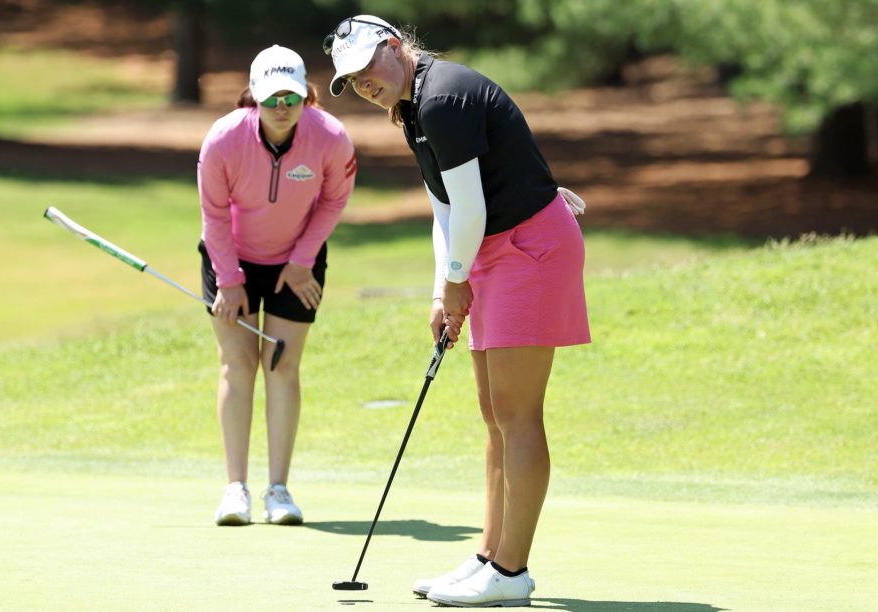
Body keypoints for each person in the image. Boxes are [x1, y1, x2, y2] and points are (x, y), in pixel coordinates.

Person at [325, 16, 590, 607]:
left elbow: (469, 207)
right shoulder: (413, 109)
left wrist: (455, 283)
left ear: (396, 48)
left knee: (518, 414)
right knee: (494, 413)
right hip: (490, 250)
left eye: (369, 68)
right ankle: (489, 557)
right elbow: (445, 210)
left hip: (531, 249)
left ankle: (513, 572)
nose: (365, 84)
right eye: (354, 80)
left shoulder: (443, 98)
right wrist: (441, 290)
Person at [198, 45, 356, 526]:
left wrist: (303, 260)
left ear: (307, 94)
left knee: (282, 366)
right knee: (238, 364)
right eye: (271, 98)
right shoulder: (223, 140)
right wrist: (229, 281)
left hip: (298, 262)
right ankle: (235, 490)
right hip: (231, 259)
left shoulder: (331, 138)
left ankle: (279, 490)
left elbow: (333, 201)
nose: (281, 107)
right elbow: (215, 215)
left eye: (290, 96)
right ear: (254, 98)